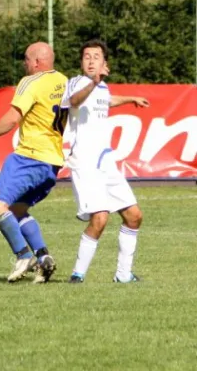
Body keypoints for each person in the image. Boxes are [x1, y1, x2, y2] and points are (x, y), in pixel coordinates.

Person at [0, 42, 68, 284]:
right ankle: (43, 256)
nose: (24, 64)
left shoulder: (31, 81)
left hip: (30, 157)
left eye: (26, 59)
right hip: (52, 165)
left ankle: (23, 256)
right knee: (17, 210)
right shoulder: (63, 81)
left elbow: (12, 119)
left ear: (37, 62)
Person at [61, 39, 149, 283]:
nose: (90, 61)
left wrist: (131, 98)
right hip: (85, 163)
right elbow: (76, 101)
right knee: (99, 219)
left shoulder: (102, 87)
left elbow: (106, 99)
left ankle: (123, 275)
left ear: (104, 62)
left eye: (96, 57)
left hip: (105, 162)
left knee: (134, 215)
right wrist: (95, 81)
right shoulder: (78, 83)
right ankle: (77, 276)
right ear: (81, 62)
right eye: (86, 57)